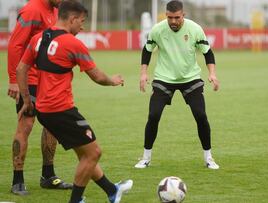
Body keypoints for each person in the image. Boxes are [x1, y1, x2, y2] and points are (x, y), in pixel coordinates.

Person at [16, 1, 133, 202]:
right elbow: (96, 76)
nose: (83, 26)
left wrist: (27, 100)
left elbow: (21, 69)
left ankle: (112, 191)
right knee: (94, 152)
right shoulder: (72, 43)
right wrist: (113, 81)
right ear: (72, 19)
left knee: (85, 152)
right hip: (61, 110)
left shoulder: (38, 38)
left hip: (43, 110)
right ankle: (76, 200)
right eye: (82, 21)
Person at [135, 0, 220, 170]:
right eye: (169, 18)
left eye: (176, 17)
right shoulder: (158, 29)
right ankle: (145, 157)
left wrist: (212, 73)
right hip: (164, 78)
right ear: (165, 15)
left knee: (200, 115)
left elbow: (208, 52)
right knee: (153, 115)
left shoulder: (195, 29)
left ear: (183, 15)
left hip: (190, 78)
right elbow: (147, 50)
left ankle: (209, 158)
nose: (173, 21)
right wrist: (144, 73)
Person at [7, 0, 72, 195]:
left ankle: (48, 176)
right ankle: (17, 181)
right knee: (25, 125)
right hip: (29, 79)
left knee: (52, 126)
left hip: (48, 80)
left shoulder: (56, 9)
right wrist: (13, 80)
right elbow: (15, 44)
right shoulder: (32, 10)